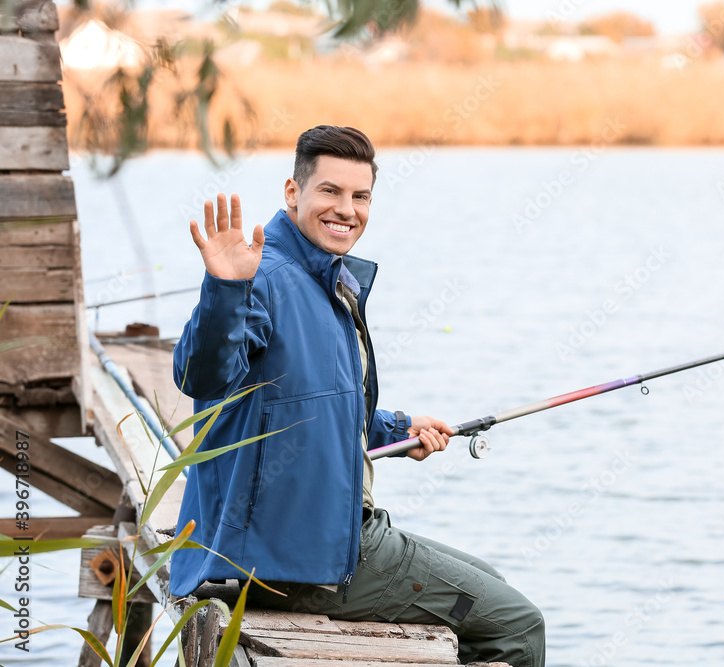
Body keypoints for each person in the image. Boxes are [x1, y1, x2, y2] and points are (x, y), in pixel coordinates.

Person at [169, 125, 545, 666]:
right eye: (330, 191)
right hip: (301, 560)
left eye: (360, 196)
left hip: (323, 536)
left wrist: (394, 429)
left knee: (490, 585)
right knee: (519, 627)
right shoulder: (265, 277)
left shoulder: (323, 279)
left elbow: (311, 401)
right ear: (293, 192)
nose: (347, 209)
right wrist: (225, 289)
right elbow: (203, 376)